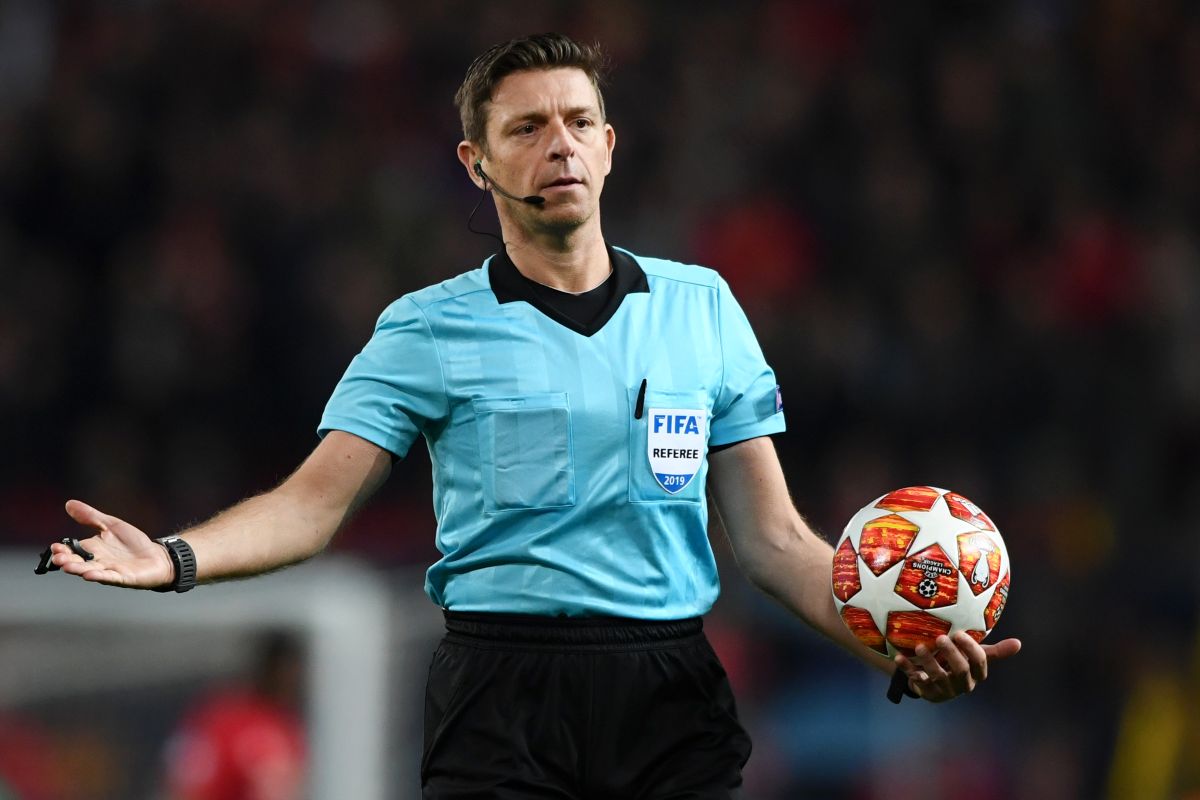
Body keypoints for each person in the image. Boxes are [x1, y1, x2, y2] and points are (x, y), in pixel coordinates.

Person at [42, 33, 1021, 798]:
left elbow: (774, 545)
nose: (557, 142)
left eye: (576, 120)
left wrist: (896, 646)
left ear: (608, 143)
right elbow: (312, 504)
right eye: (524, 126)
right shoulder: (425, 328)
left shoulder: (705, 307)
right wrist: (175, 556)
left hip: (671, 691)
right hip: (499, 695)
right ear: (476, 161)